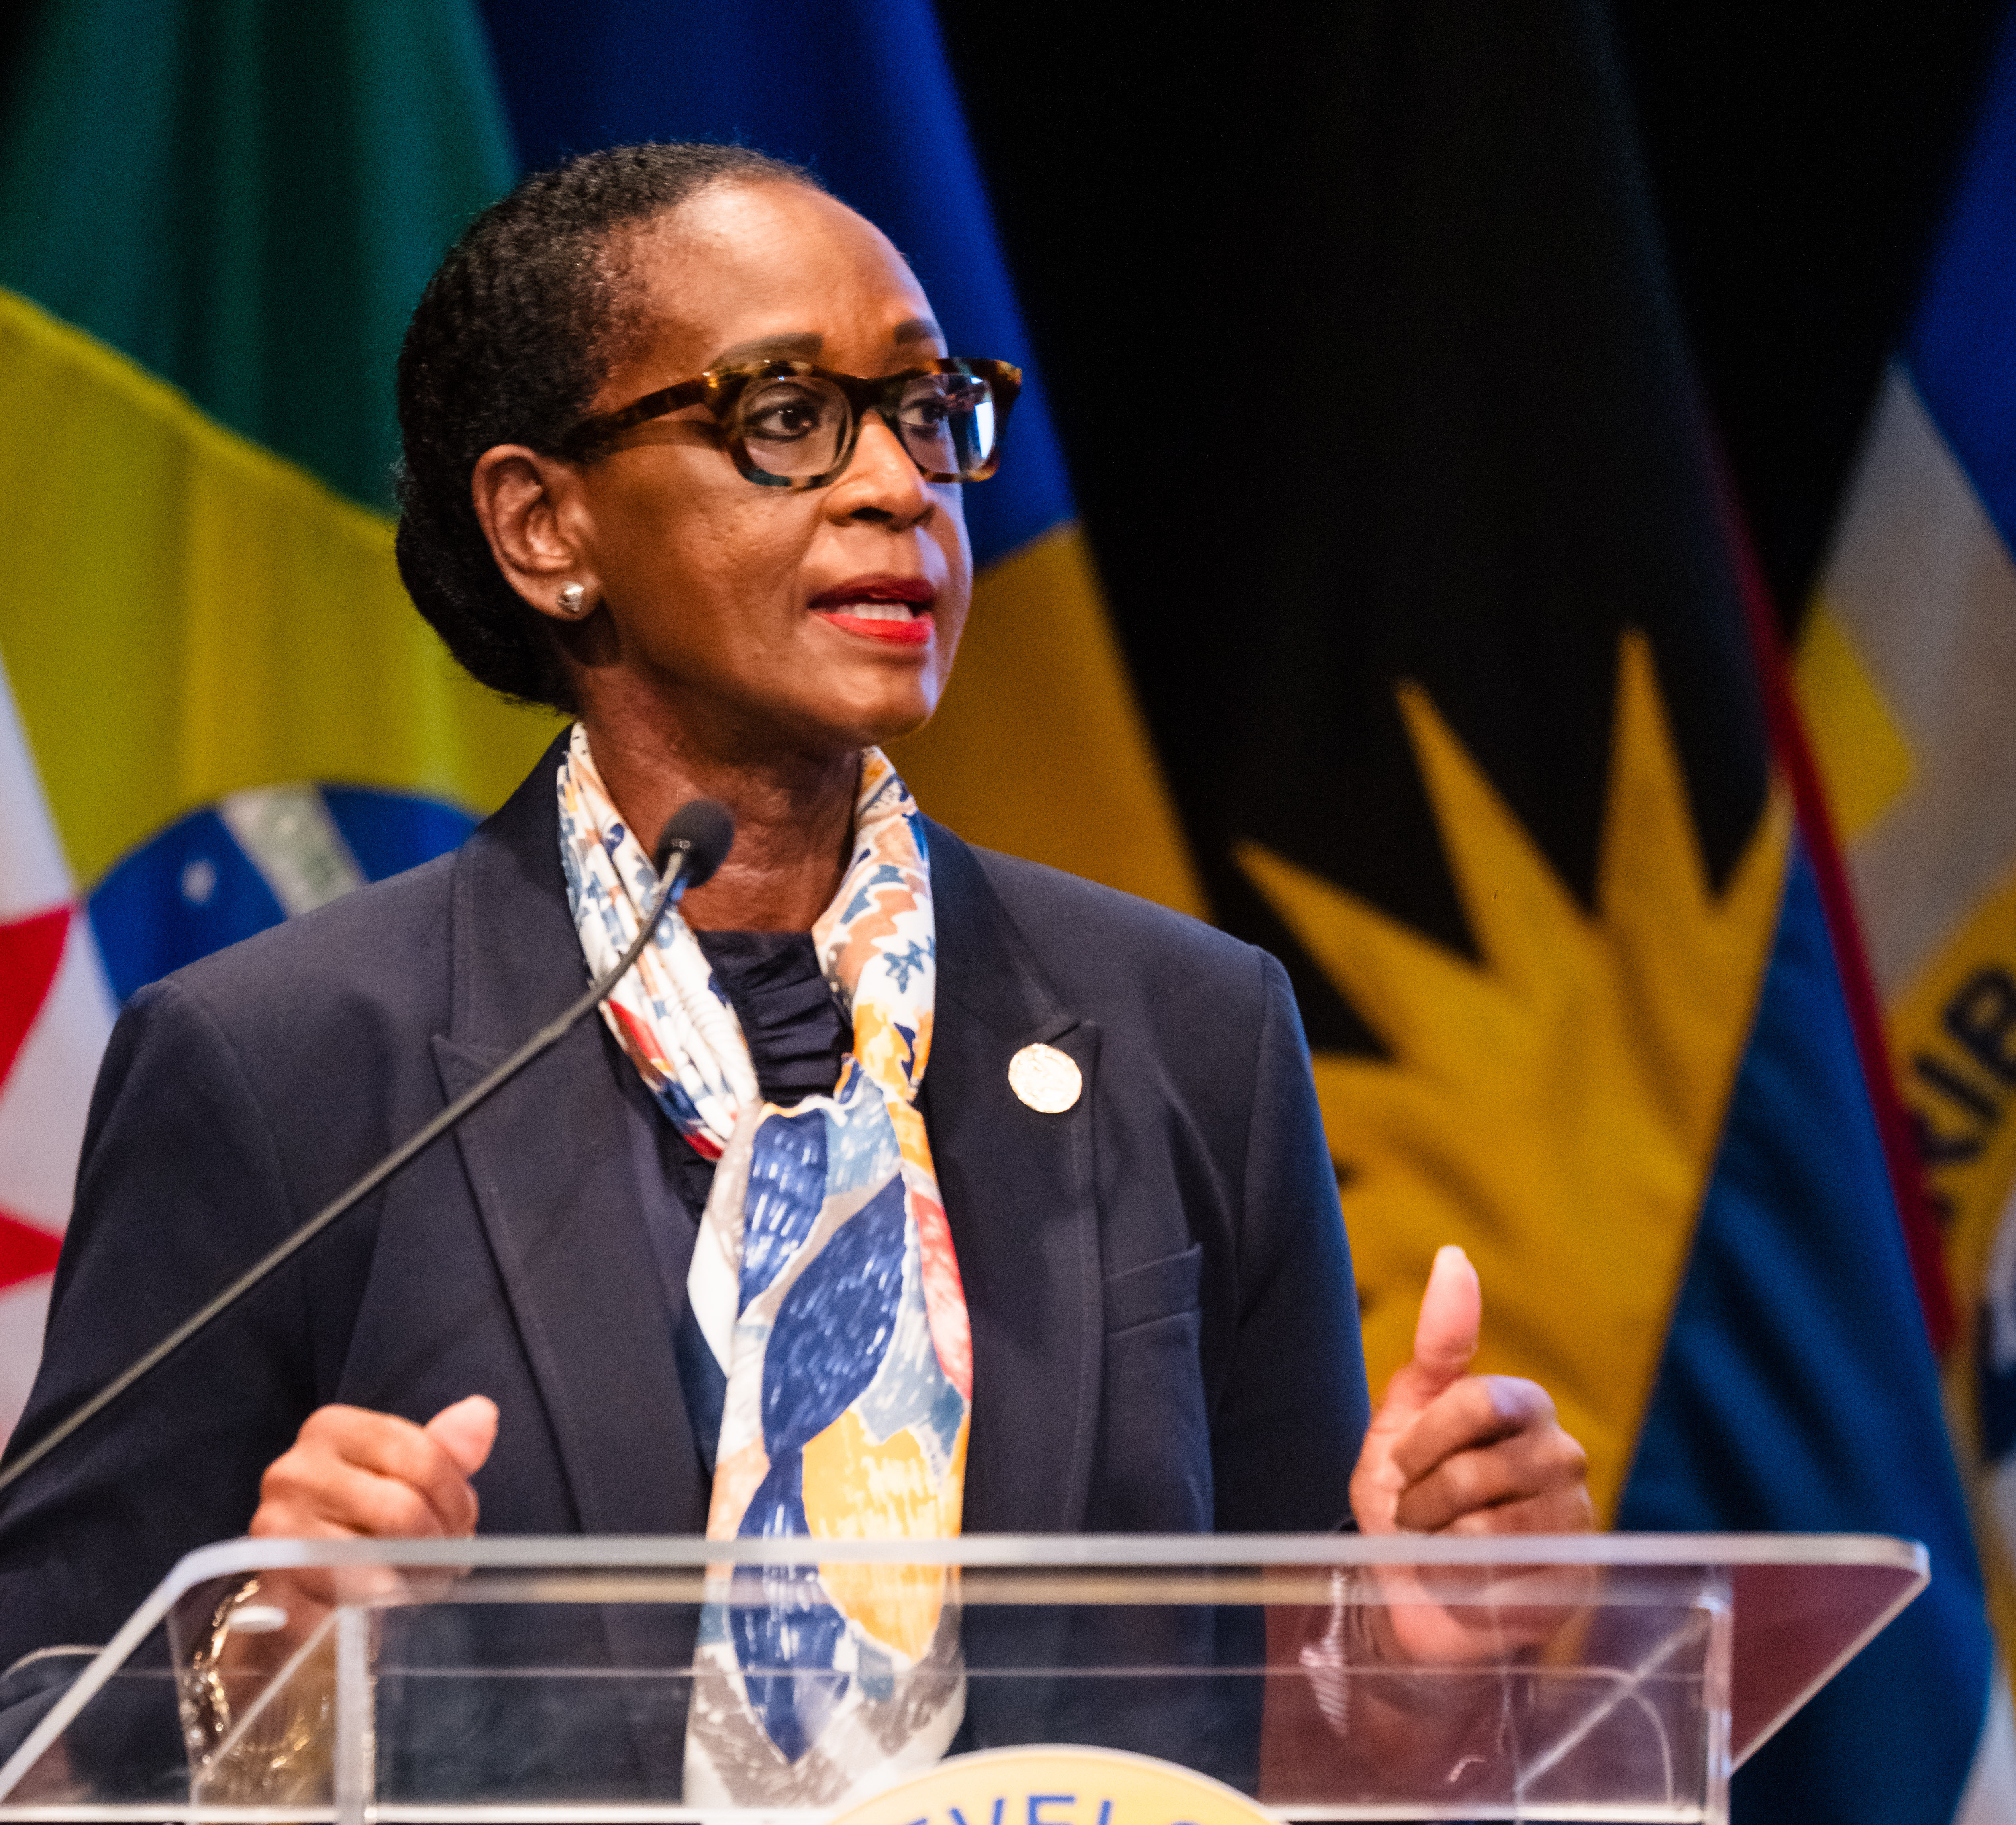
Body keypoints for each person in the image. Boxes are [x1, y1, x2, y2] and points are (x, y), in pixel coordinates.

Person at [0, 143, 1588, 1796]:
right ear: (546, 526)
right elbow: (32, 1718)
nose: (900, 484)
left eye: (923, 409)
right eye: (783, 419)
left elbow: (1273, 1738)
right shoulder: (287, 1064)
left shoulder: (1185, 1029)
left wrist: (1412, 1657)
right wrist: (256, 1654)